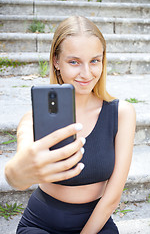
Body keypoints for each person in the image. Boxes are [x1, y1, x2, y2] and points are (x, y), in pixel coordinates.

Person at [5, 16, 136, 233]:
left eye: (94, 60)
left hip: (97, 222)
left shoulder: (122, 113)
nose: (86, 73)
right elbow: (16, 176)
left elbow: (112, 197)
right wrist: (16, 172)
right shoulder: (33, 118)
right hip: (40, 223)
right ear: (56, 61)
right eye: (74, 61)